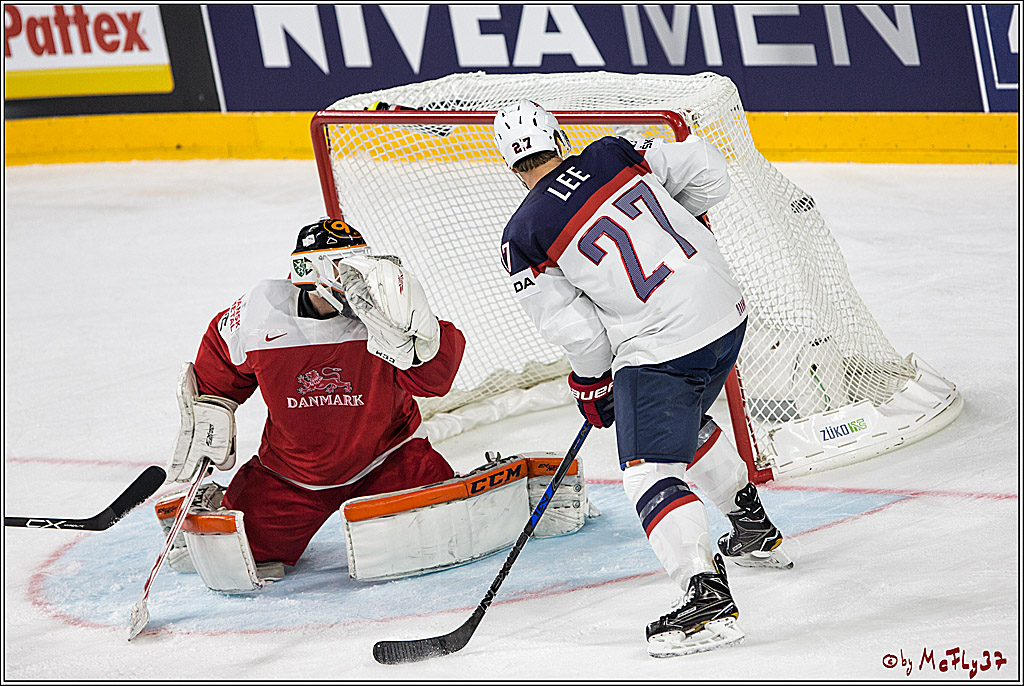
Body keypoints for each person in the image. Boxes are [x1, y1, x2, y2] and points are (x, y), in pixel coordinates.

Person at [492, 100, 793, 658]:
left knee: (648, 469)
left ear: (508, 163)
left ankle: (707, 603)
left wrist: (593, 383)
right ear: (558, 139)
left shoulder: (524, 235)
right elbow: (708, 168)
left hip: (664, 343)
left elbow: (578, 333)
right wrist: (677, 220)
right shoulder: (613, 153)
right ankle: (751, 527)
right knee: (681, 421)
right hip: (726, 312)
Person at [159, 218, 466, 590]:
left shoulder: (387, 312)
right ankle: (211, 503)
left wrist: (420, 338)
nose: (357, 276)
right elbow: (218, 371)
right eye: (342, 264)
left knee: (443, 534)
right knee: (240, 556)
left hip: (389, 459)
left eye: (360, 260)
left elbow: (436, 382)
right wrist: (208, 418)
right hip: (291, 476)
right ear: (310, 270)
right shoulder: (259, 313)